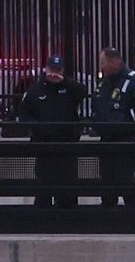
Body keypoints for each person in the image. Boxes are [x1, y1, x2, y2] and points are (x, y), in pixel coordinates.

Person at [17, 55, 88, 208]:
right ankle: (43, 216)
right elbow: (23, 116)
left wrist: (64, 80)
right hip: (44, 145)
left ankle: (68, 215)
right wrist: (37, 128)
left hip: (67, 145)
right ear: (46, 69)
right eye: (52, 69)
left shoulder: (70, 89)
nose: (54, 73)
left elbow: (84, 92)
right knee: (44, 184)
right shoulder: (35, 90)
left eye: (58, 70)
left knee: (68, 184)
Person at [91, 47, 135, 207]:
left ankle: (133, 214)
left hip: (127, 139)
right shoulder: (105, 82)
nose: (101, 67)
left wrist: (126, 120)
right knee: (106, 178)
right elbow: (98, 105)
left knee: (125, 178)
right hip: (106, 139)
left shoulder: (133, 80)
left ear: (115, 62)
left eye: (103, 62)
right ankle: (108, 214)